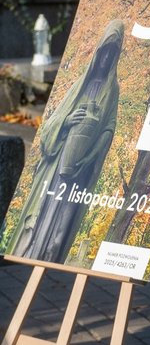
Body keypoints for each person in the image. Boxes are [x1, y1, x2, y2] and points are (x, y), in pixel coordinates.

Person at [9, 20, 124, 263]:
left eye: (110, 56)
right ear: (98, 54)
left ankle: (52, 254)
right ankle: (34, 253)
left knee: (61, 228)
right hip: (58, 164)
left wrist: (90, 154)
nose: (105, 61)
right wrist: (68, 121)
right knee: (43, 214)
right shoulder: (79, 85)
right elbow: (53, 123)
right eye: (103, 54)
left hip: (80, 170)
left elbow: (109, 128)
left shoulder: (112, 90)